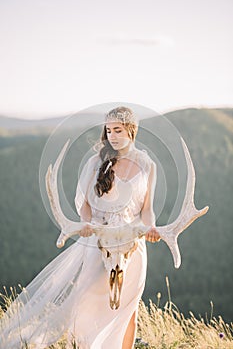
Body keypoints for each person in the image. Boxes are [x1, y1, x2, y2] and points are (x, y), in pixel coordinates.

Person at [0, 106, 160, 349]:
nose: (112, 136)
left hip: (131, 245)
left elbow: (147, 208)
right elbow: (84, 202)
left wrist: (152, 227)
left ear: (132, 130)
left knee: (129, 306)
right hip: (99, 241)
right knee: (88, 300)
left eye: (118, 130)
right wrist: (87, 223)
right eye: (108, 130)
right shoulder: (97, 162)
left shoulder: (148, 164)